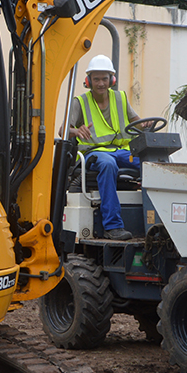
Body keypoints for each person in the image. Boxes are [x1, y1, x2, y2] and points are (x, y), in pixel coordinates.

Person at [67, 54, 145, 240]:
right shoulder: (80, 102)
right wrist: (77, 131)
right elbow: (64, 129)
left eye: (104, 78)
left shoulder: (120, 98)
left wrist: (145, 125)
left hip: (122, 152)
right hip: (96, 154)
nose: (101, 83)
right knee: (108, 164)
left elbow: (137, 123)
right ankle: (113, 226)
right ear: (88, 81)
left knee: (150, 163)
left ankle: (156, 218)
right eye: (96, 79)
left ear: (111, 79)